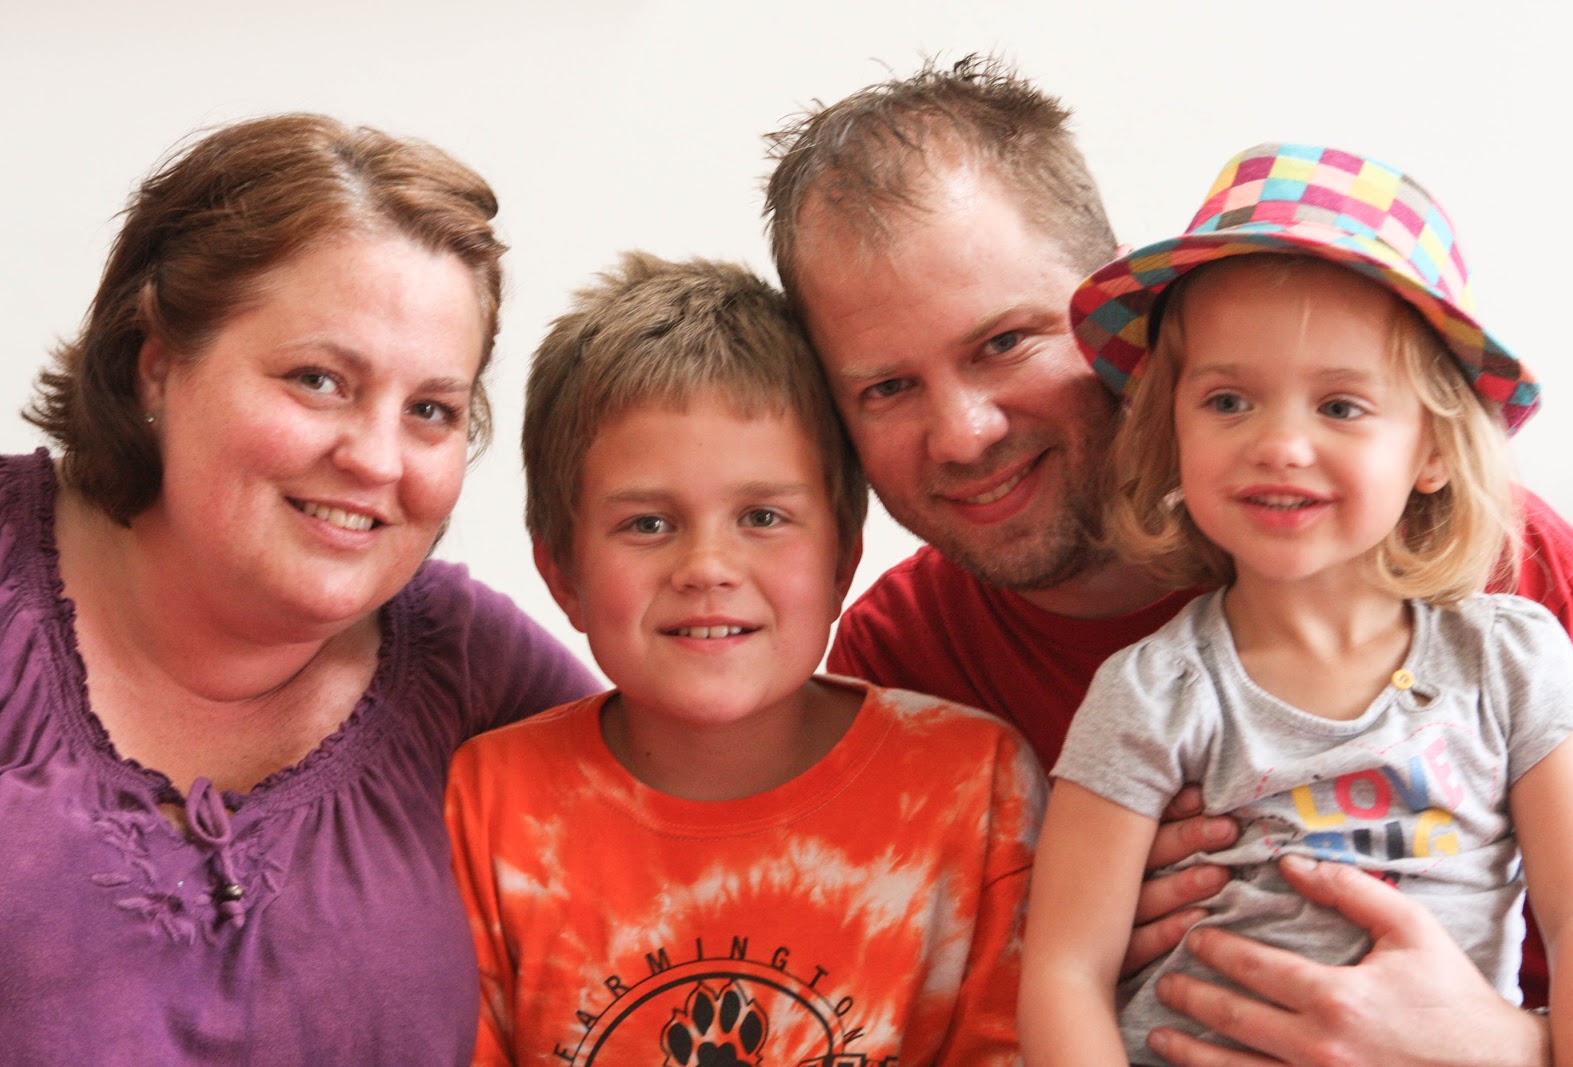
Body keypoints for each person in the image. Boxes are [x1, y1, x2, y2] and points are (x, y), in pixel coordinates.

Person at [764, 55, 1573, 1066]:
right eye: (888, 386)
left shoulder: (1510, 583)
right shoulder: (907, 664)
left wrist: (1508, 1048)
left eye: (1004, 341)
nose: (964, 432)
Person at [0, 114, 598, 1064]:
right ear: (157, 365)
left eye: (431, 409)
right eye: (319, 379)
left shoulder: (480, 677)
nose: (377, 459)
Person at [1018, 143, 1573, 1066]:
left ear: (1433, 450)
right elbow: (1063, 970)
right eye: (1228, 401)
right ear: (1172, 429)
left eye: (1339, 406)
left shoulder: (1512, 664)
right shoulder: (1152, 690)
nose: (1280, 444)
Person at [446, 252, 1045, 1065]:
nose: (707, 567)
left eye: (763, 516)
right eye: (648, 524)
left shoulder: (975, 788)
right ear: (564, 576)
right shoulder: (492, 803)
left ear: (842, 561)